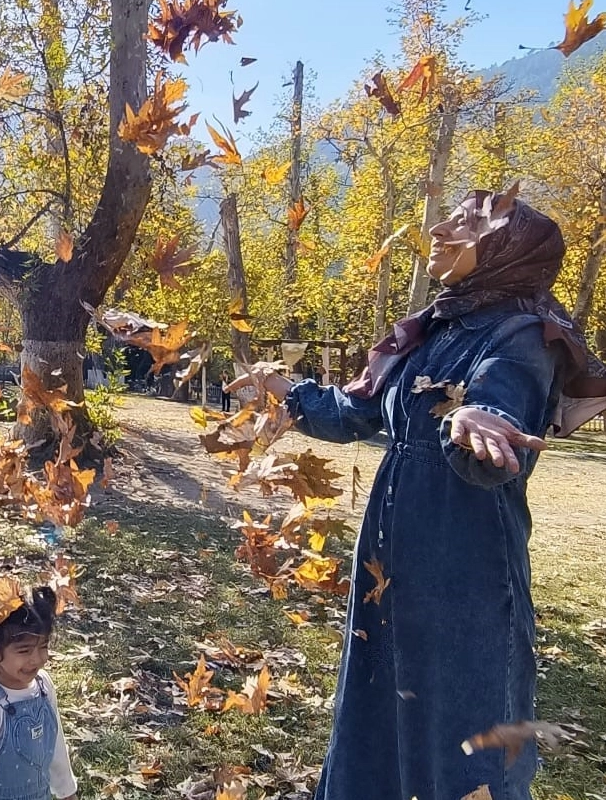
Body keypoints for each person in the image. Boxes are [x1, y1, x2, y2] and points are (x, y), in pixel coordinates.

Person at [228, 190, 606, 800]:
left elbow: (499, 411)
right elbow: (353, 414)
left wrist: (478, 419)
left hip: (465, 562)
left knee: (464, 717)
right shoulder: (431, 330)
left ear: (505, 249)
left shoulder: (523, 336)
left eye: (461, 223)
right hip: (389, 554)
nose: (437, 228)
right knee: (376, 697)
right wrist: (284, 387)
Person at [0, 586, 78, 800]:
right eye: (24, 651)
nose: (38, 659)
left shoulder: (43, 686)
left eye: (43, 646)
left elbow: (56, 747)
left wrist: (67, 792)